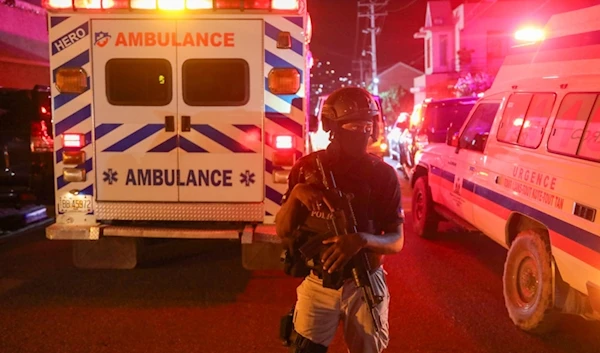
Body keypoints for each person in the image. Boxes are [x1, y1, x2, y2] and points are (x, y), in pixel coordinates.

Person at [275, 86, 405, 353]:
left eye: (366, 125)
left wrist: (359, 241)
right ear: (333, 126)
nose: (362, 132)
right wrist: (298, 194)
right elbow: (282, 229)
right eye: (352, 125)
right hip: (318, 282)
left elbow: (396, 241)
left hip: (365, 281)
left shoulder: (383, 175)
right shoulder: (306, 169)